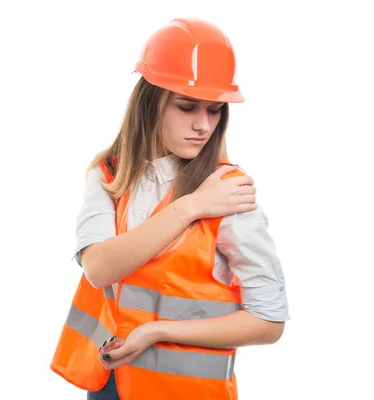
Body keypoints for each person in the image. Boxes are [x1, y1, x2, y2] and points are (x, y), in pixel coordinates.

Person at [50, 17, 290, 400]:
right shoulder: (110, 174)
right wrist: (191, 206)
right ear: (150, 102)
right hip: (108, 385)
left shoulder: (230, 193)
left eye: (214, 110)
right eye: (187, 106)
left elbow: (269, 320)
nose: (203, 125)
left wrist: (159, 331)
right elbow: (98, 269)